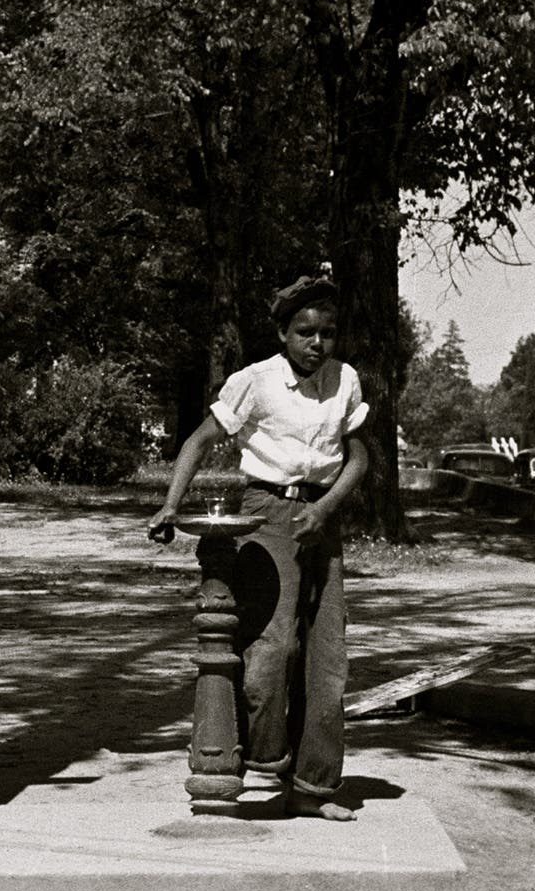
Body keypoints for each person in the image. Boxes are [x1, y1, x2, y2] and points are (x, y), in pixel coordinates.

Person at [148, 273, 371, 821]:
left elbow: (359, 457)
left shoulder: (346, 381)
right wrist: (171, 505)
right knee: (269, 653)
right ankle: (259, 758)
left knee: (326, 658)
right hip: (265, 513)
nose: (318, 344)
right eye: (305, 333)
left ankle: (311, 788)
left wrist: (325, 509)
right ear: (283, 333)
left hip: (323, 518)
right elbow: (201, 439)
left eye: (327, 333)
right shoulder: (255, 381)